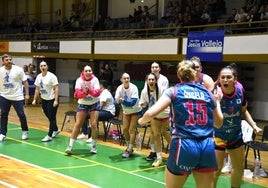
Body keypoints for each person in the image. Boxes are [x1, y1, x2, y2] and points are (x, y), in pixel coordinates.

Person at [138, 60, 223, 188]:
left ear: (178, 74)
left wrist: (141, 121)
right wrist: (218, 101)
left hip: (185, 144)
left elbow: (150, 113)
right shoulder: (207, 93)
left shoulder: (174, 91)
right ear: (195, 74)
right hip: (207, 145)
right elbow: (219, 123)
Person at [213, 63, 262, 188]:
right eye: (222, 77)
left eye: (229, 77)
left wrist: (254, 125)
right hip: (218, 135)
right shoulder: (214, 94)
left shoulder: (240, 91)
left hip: (235, 135)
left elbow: (244, 111)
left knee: (239, 167)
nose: (225, 80)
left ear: (235, 79)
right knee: (216, 170)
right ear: (219, 79)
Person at [65, 65, 100, 154]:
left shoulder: (95, 80)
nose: (88, 72)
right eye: (86, 71)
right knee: (78, 124)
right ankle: (70, 146)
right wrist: (84, 93)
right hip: (83, 104)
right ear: (83, 72)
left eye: (90, 71)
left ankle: (93, 146)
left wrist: (89, 91)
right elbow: (76, 94)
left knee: (94, 124)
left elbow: (97, 93)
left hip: (94, 104)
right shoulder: (79, 80)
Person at [139, 72, 171, 167]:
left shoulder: (162, 90)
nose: (151, 81)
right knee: (156, 135)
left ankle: (176, 152)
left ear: (156, 81)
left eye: (153, 79)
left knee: (164, 132)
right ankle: (159, 157)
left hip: (165, 114)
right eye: (149, 79)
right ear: (146, 81)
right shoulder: (145, 92)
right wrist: (143, 104)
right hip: (155, 116)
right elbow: (142, 102)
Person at [0, 54, 29, 141]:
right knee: (3, 115)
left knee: (21, 114)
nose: (9, 61)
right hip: (4, 96)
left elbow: (25, 82)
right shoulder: (0, 71)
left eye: (10, 59)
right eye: (7, 60)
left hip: (17, 96)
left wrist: (27, 94)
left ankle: (25, 130)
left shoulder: (18, 70)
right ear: (3, 61)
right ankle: (2, 133)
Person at [145, 61, 170, 161]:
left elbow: (166, 95)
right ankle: (154, 152)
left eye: (156, 67)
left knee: (163, 132)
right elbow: (145, 96)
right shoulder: (147, 82)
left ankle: (174, 151)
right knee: (154, 133)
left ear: (159, 69)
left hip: (163, 112)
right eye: (152, 67)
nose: (154, 69)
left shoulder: (164, 80)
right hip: (153, 111)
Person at [115, 73, 142, 158]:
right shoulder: (119, 88)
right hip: (126, 111)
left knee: (131, 129)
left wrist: (122, 101)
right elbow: (115, 101)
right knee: (125, 129)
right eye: (125, 78)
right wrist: (117, 101)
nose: (126, 80)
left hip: (135, 110)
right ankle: (129, 145)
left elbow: (132, 103)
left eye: (128, 78)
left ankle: (129, 149)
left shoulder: (134, 88)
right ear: (121, 80)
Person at [32, 60, 60, 142]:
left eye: (44, 65)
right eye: (41, 66)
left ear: (47, 67)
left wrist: (56, 100)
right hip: (44, 99)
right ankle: (55, 129)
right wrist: (34, 99)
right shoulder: (39, 76)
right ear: (39, 67)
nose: (43, 67)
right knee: (48, 115)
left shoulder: (52, 76)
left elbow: (56, 88)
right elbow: (37, 89)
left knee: (52, 117)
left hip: (52, 99)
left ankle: (49, 135)